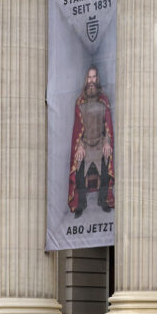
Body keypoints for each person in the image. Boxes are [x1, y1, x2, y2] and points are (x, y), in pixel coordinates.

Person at [65, 65, 115, 217]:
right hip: (85, 143)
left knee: (106, 166)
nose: (91, 80)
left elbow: (107, 127)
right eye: (89, 77)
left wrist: (107, 142)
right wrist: (79, 147)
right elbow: (78, 130)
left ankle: (103, 200)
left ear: (97, 79)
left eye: (94, 77)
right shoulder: (80, 103)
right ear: (86, 80)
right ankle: (81, 204)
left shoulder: (104, 101)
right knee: (79, 169)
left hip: (100, 142)